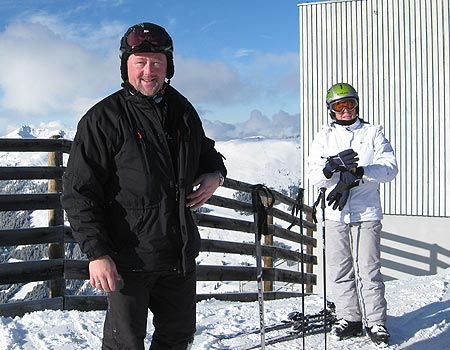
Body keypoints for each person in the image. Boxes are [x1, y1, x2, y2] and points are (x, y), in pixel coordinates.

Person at [61, 22, 227, 350]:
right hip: (127, 258)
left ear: (168, 67)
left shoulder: (183, 112)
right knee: (125, 344)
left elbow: (206, 154)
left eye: (156, 62)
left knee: (178, 338)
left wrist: (215, 174)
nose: (148, 71)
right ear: (126, 66)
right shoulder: (103, 119)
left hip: (178, 255)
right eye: (140, 62)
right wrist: (97, 253)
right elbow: (79, 192)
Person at [307, 83, 398, 348]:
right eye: (339, 106)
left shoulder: (372, 133)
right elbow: (314, 176)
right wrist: (330, 167)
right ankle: (350, 317)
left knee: (369, 269)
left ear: (357, 105)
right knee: (339, 269)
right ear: (331, 110)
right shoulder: (324, 136)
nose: (346, 111)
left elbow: (390, 169)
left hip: (366, 211)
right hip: (335, 214)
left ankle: (376, 321)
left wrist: (360, 172)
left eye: (351, 105)